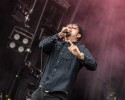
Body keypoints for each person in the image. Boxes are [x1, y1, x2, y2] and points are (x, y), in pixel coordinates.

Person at [31, 23, 97, 100]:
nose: (70, 28)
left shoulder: (80, 48)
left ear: (78, 35)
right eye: (69, 26)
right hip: (40, 91)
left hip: (56, 96)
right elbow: (42, 45)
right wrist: (58, 35)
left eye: (74, 28)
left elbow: (93, 65)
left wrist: (80, 56)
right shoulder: (56, 45)